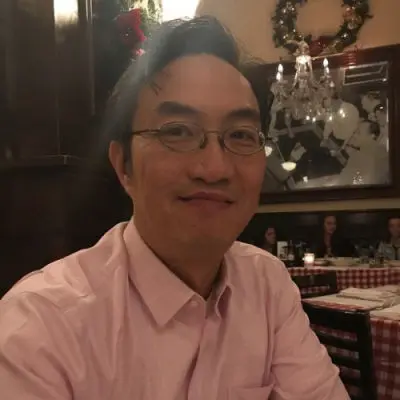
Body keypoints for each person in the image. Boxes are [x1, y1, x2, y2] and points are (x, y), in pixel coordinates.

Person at [0, 17, 349, 400]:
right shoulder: (40, 328)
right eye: (178, 131)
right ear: (123, 166)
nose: (214, 168)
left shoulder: (267, 284)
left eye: (240, 135)